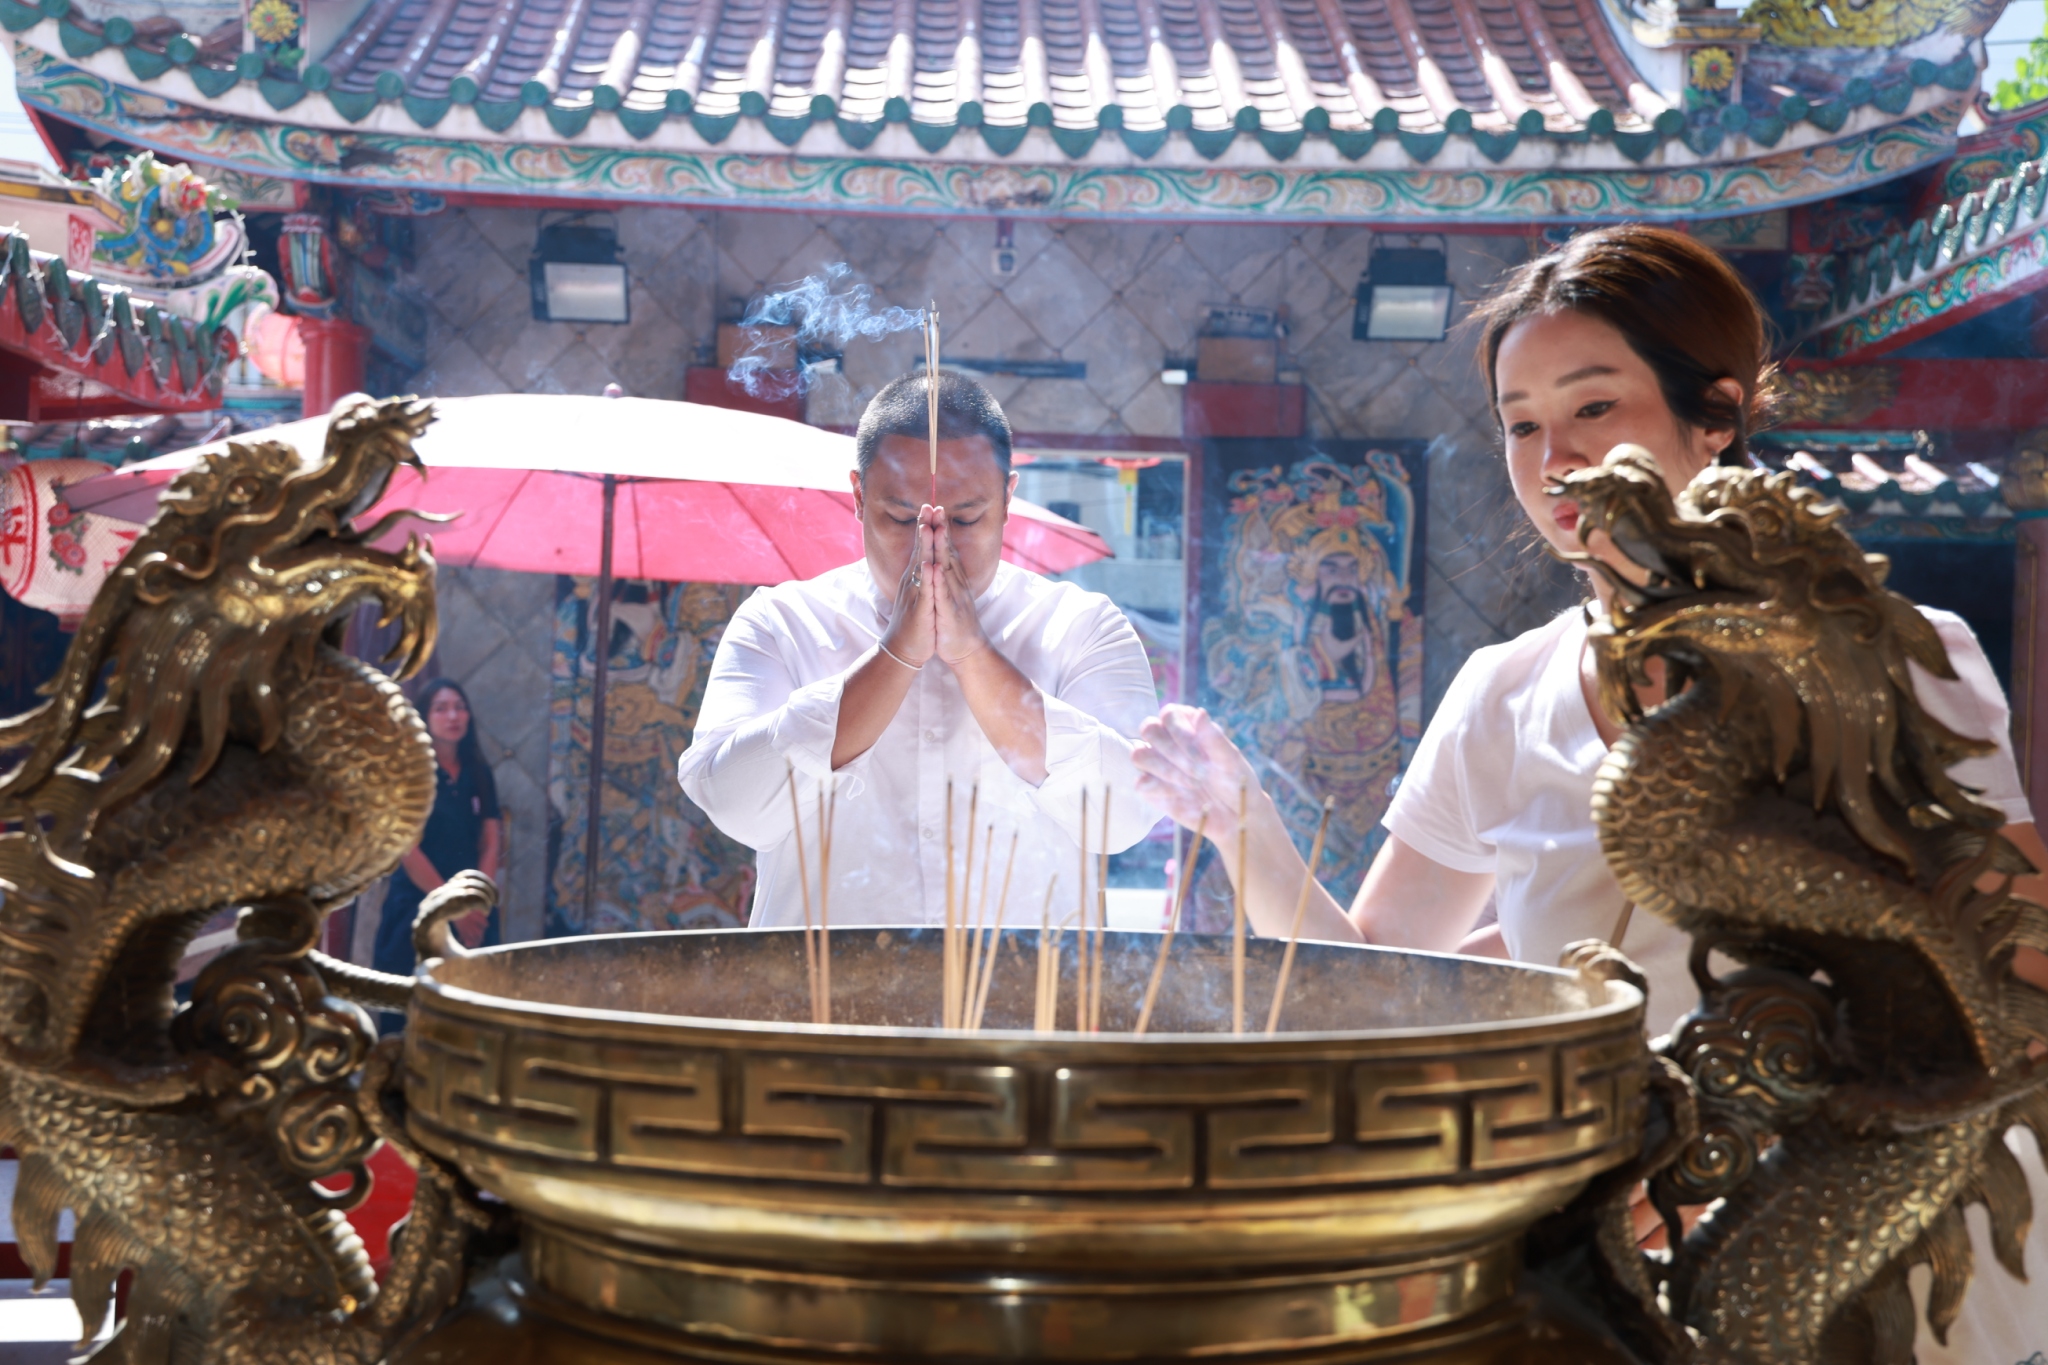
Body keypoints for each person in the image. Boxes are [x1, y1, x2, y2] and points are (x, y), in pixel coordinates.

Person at [1129, 224, 2048, 1364]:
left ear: (1714, 415)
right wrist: (1238, 820)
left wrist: (1735, 1154)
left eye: (1594, 407)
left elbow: (2015, 969)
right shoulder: (1500, 693)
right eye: (1520, 423)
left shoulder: (1887, 656)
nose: (1553, 457)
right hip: (1596, 1235)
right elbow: (1369, 982)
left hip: (1866, 1220)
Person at [679, 370, 1158, 931]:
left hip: (1025, 984)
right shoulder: (780, 622)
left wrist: (973, 654)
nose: (935, 545)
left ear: (1008, 498)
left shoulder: (1082, 628)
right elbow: (735, 807)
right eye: (903, 518)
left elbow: (1124, 818)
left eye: (967, 518)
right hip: (821, 983)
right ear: (859, 497)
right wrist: (895, 656)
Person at [374, 679, 504, 996]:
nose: (453, 716)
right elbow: (408, 850)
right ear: (425, 717)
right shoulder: (411, 773)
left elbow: (491, 842)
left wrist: (477, 904)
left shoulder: (479, 771)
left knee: (475, 1003)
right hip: (418, 903)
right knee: (414, 1005)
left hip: (473, 910)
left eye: (460, 707)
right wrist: (450, 908)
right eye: (441, 709)